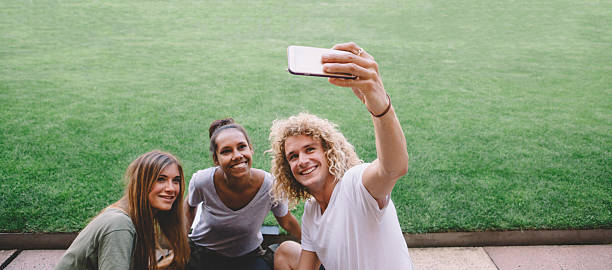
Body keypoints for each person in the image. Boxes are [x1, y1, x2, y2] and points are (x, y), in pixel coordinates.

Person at [269, 42, 414, 270]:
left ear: (328, 152)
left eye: (310, 149)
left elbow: (393, 168)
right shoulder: (312, 211)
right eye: (293, 156)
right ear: (288, 169)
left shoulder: (354, 185)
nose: (302, 161)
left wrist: (379, 105)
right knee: (286, 251)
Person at [184, 118, 301, 270]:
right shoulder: (202, 181)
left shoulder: (270, 186)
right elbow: (189, 206)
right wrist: (180, 243)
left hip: (249, 257)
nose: (237, 155)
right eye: (226, 151)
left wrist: (311, 243)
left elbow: (287, 221)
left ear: (251, 149)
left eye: (241, 147)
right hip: (203, 252)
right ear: (216, 159)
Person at [55, 150, 190, 270]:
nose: (171, 188)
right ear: (142, 182)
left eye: (176, 181)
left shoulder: (138, 216)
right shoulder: (120, 225)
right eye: (161, 179)